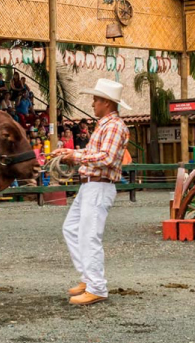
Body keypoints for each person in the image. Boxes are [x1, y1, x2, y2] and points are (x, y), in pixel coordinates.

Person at [47, 78, 131, 306]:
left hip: (98, 185)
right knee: (73, 229)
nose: (93, 103)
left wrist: (74, 156)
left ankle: (96, 287)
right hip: (92, 184)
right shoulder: (107, 125)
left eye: (96, 99)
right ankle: (88, 279)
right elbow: (97, 152)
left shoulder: (113, 126)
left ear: (106, 102)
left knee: (88, 234)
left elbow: (107, 157)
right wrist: (70, 151)